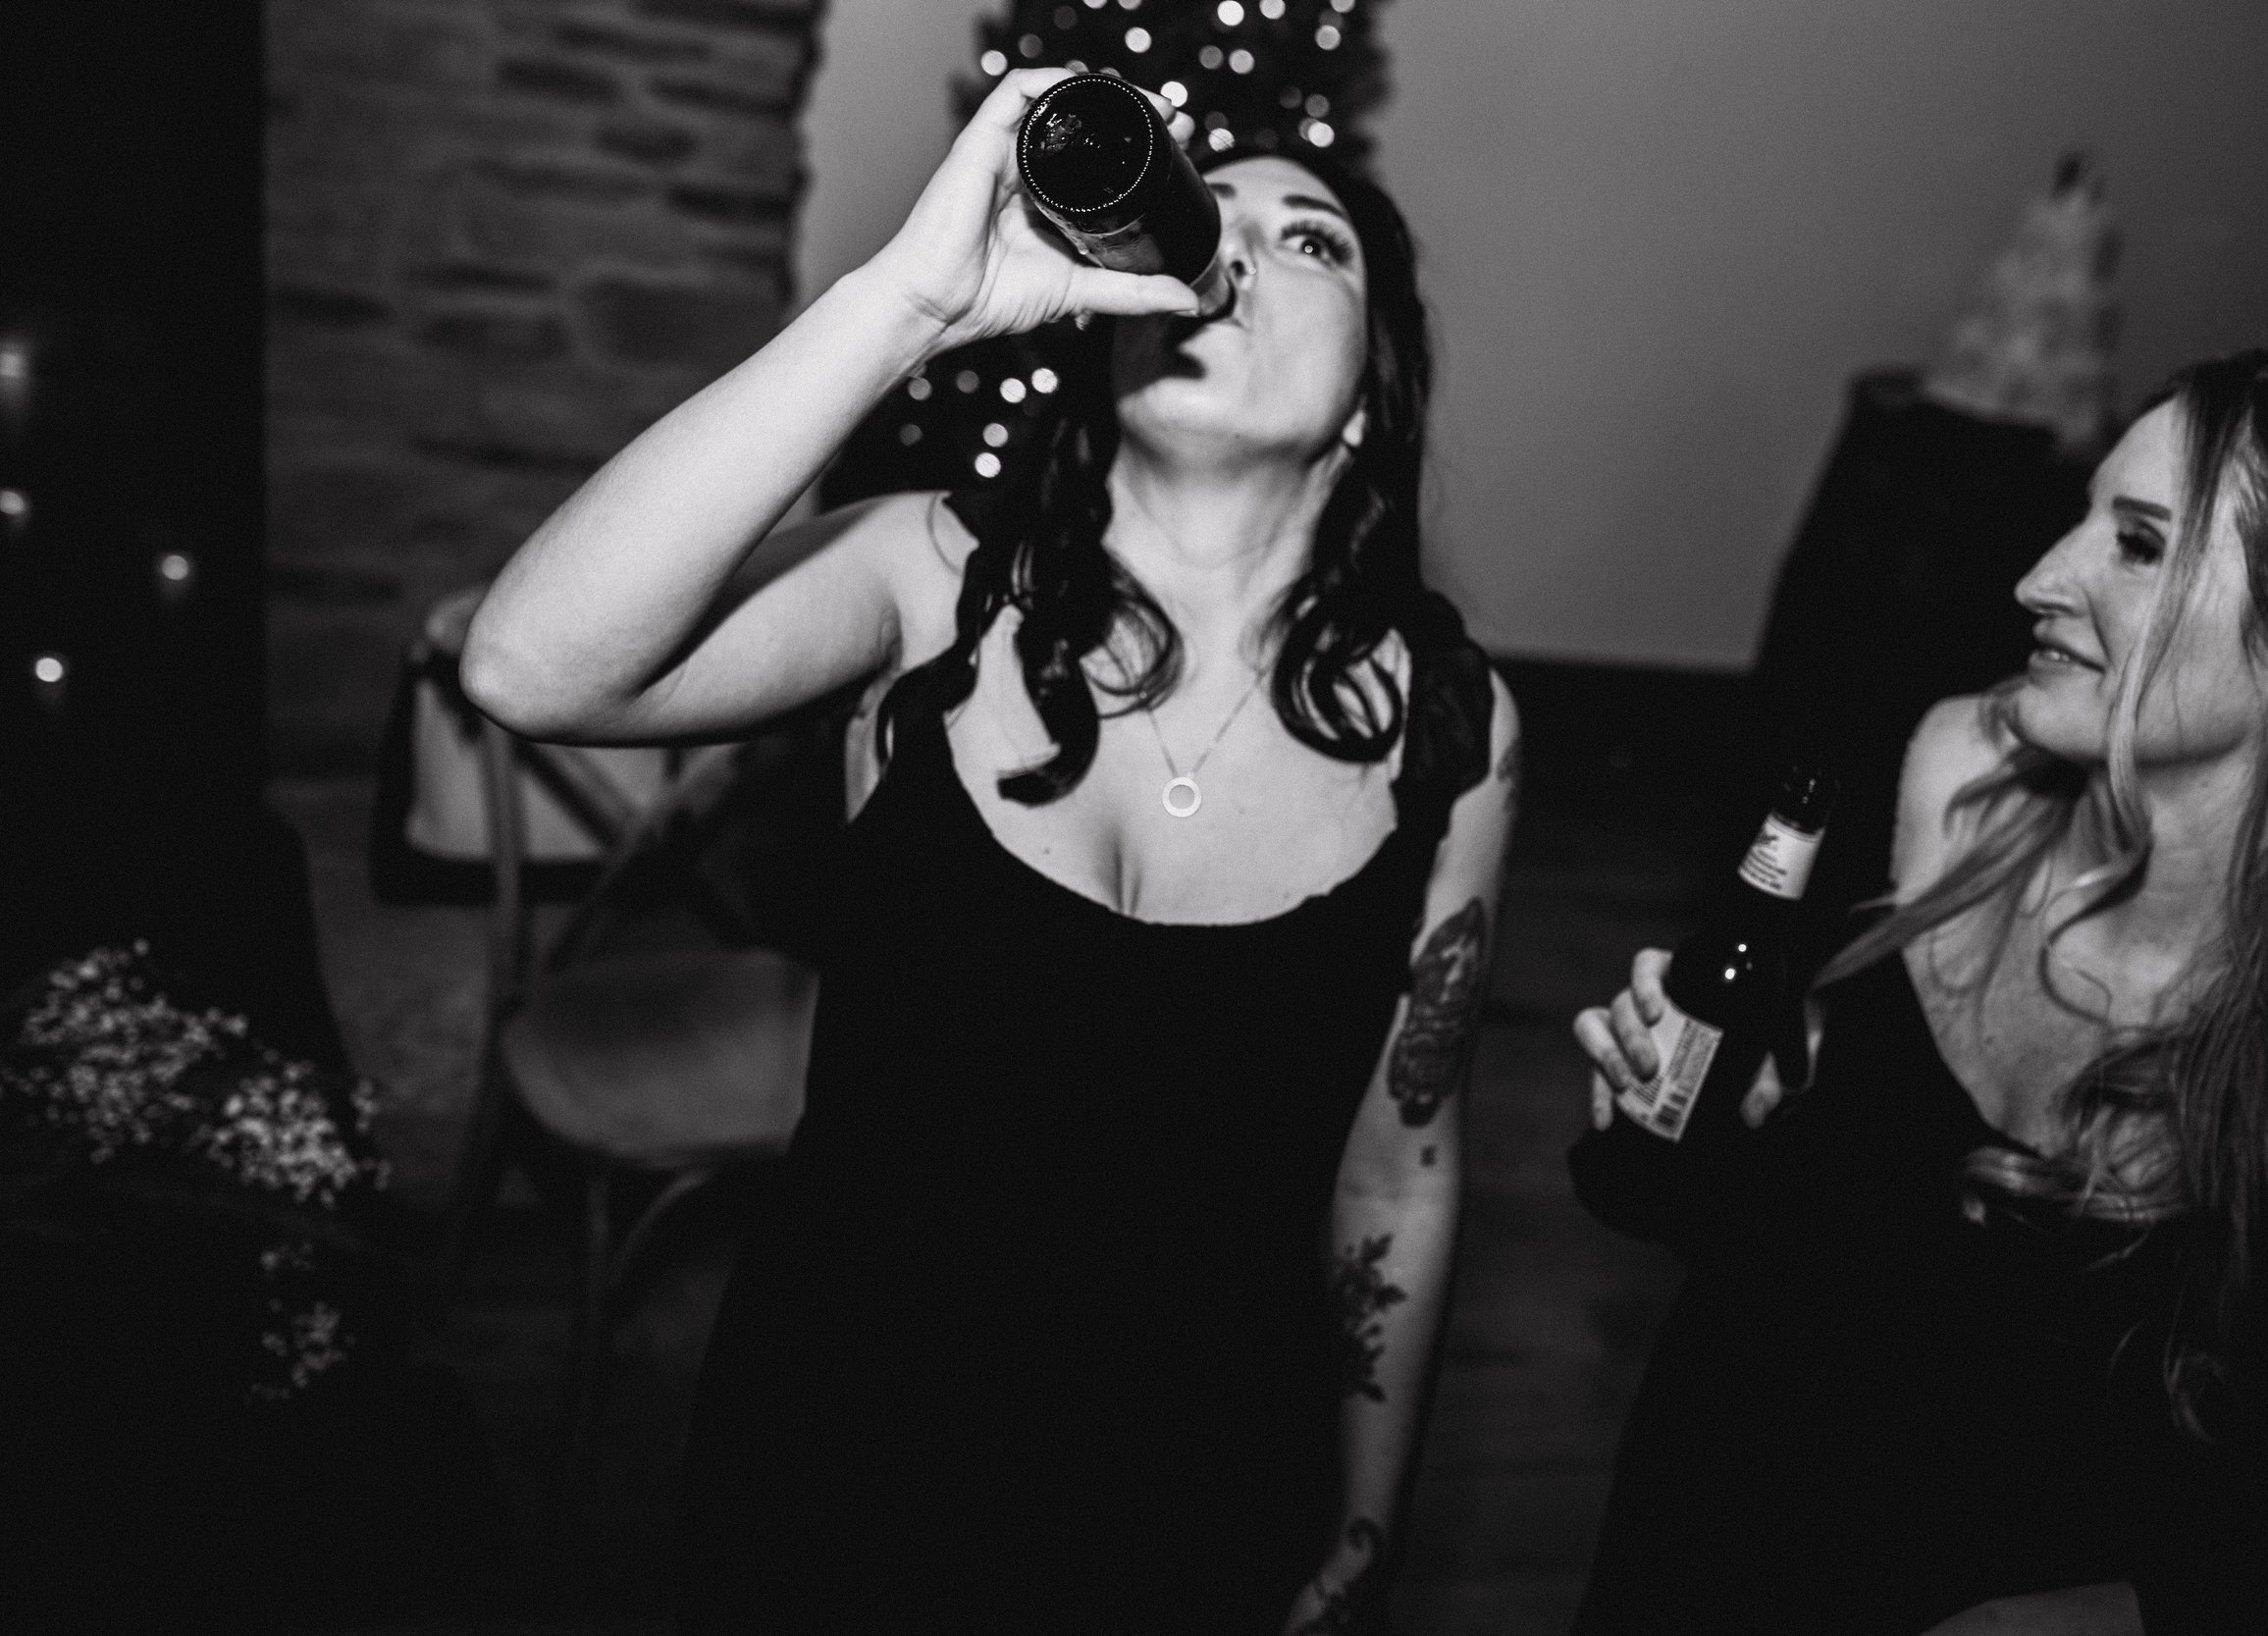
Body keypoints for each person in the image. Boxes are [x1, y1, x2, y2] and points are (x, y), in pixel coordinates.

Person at [460, 69, 1517, 1633]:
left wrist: (1368, 1529)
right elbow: (534, 669)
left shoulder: (1449, 725)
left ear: (1370, 395)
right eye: (1209, 216)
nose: (1234, 249)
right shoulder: (932, 578)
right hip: (843, 1448)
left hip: (1192, 1486)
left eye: (1314, 243)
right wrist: (906, 304)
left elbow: (1397, 1173)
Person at [1568, 349, 2268, 1634]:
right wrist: (1695, 1123)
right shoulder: (1954, 788)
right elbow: (1813, 1268)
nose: (2038, 578)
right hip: (1700, 1539)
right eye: (2084, 517)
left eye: (2141, 543)